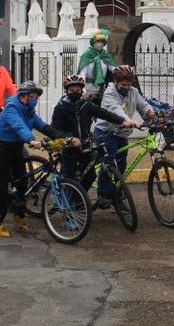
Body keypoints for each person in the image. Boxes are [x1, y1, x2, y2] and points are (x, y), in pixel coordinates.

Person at [0, 80, 64, 237]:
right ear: (23, 96)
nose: (35, 100)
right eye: (32, 96)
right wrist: (31, 140)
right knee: (4, 181)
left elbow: (42, 125)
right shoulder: (12, 108)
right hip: (0, 146)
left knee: (22, 181)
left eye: (36, 97)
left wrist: (61, 137)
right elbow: (18, 126)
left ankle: (18, 215)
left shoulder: (29, 111)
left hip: (15, 147)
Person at [50, 74, 136, 186]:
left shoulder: (85, 104)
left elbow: (103, 113)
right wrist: (69, 138)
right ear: (66, 91)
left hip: (85, 146)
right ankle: (67, 201)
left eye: (77, 90)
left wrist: (122, 121)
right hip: (69, 148)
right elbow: (55, 129)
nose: (75, 92)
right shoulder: (60, 107)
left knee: (90, 176)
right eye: (71, 90)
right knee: (69, 178)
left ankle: (80, 200)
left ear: (82, 90)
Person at [92, 65, 156, 205]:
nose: (126, 87)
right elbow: (115, 110)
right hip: (105, 132)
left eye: (129, 84)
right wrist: (128, 121)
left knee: (121, 165)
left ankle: (117, 195)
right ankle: (103, 194)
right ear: (116, 81)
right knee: (108, 163)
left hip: (121, 134)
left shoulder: (133, 91)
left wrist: (149, 112)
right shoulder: (109, 93)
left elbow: (142, 105)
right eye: (123, 84)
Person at [78, 29, 119, 103]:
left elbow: (113, 68)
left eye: (102, 42)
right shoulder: (87, 55)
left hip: (101, 90)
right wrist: (83, 90)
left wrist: (121, 70)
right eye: (98, 42)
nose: (100, 44)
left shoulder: (105, 55)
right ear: (93, 43)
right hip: (88, 90)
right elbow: (82, 74)